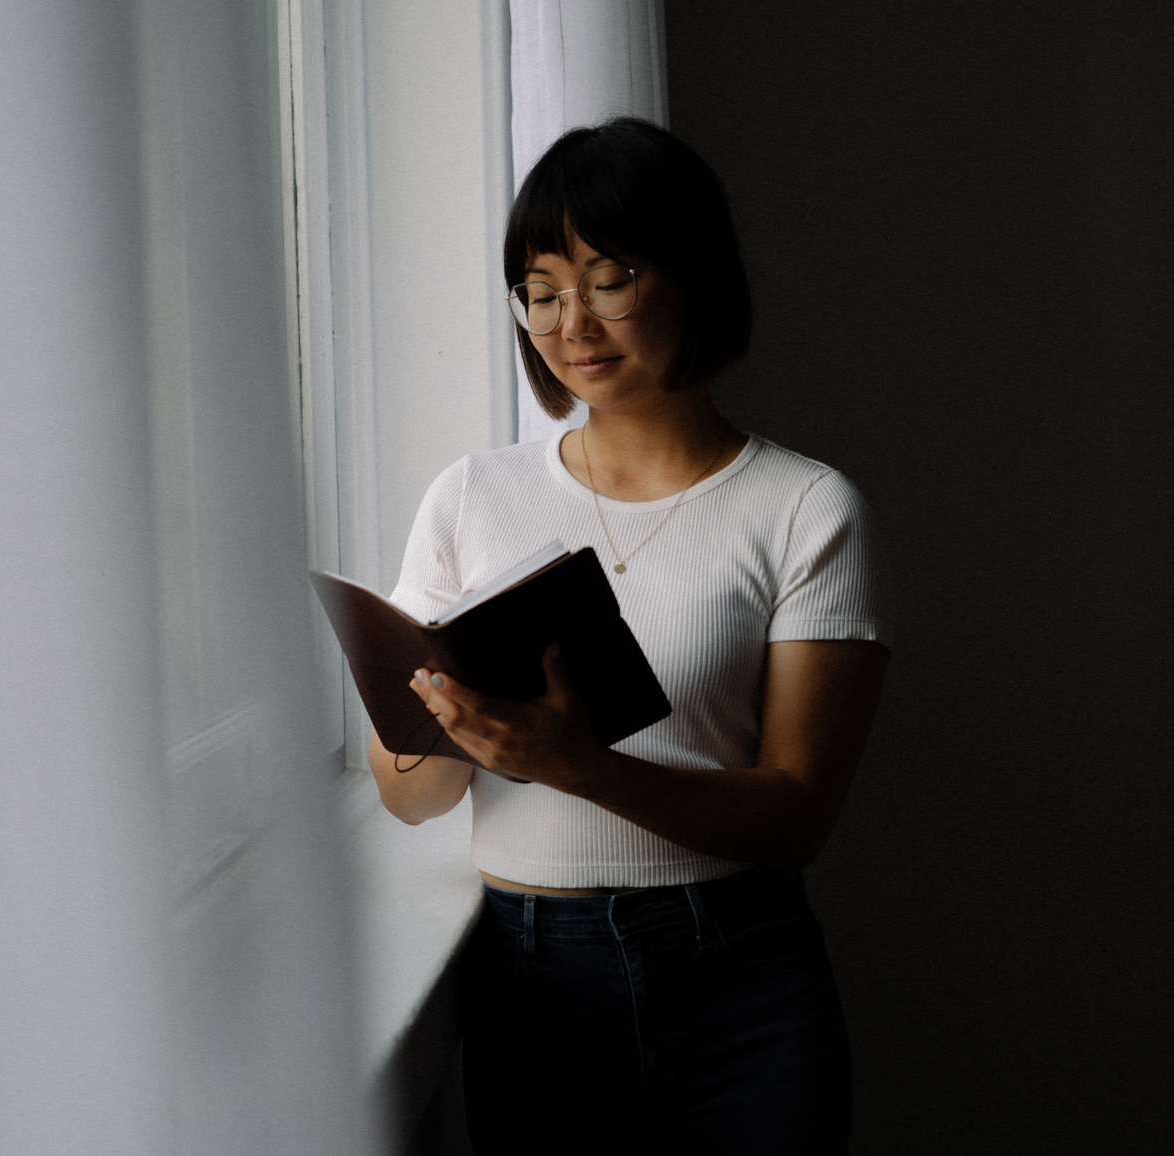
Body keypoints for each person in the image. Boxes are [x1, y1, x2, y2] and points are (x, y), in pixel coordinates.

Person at [367, 118, 893, 1155]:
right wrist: (442, 727)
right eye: (542, 288)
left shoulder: (805, 508)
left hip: (737, 977)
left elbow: (794, 817)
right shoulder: (473, 495)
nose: (573, 322)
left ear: (689, 276)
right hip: (531, 983)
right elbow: (408, 795)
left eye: (609, 278)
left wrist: (576, 766)